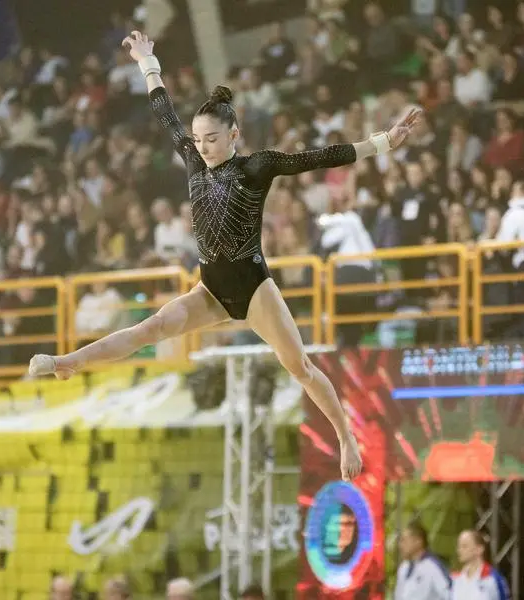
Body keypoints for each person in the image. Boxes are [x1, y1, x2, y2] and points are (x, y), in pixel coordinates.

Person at [29, 31, 421, 480]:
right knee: (150, 327)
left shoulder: (257, 167)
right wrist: (147, 61)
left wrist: (385, 142)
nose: (202, 147)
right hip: (211, 290)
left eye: (212, 139)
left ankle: (345, 436)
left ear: (234, 133)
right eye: (198, 140)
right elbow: (165, 114)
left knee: (301, 366)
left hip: (254, 290)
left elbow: (323, 156)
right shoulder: (194, 161)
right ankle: (68, 362)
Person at [393, 522, 452, 600]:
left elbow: (450, 594)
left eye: (404, 540)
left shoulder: (433, 567)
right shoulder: (404, 567)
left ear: (418, 541)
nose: (400, 545)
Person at [451, 530, 511, 600]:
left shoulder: (493, 579)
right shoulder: (455, 579)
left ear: (479, 549)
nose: (459, 550)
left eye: (464, 546)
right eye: (459, 546)